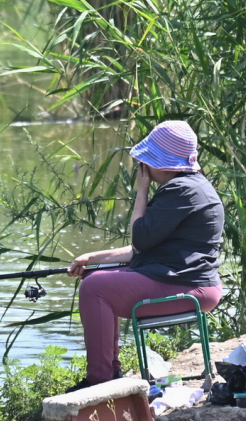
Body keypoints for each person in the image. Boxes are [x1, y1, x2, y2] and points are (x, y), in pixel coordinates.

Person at [65, 120, 225, 392]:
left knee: (94, 289)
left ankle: (100, 380)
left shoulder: (180, 190)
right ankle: (109, 372)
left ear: (162, 164)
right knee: (94, 278)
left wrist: (141, 190)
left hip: (190, 287)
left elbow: (139, 237)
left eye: (147, 161)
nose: (144, 168)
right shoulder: (192, 186)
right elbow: (143, 248)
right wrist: (92, 259)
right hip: (189, 282)